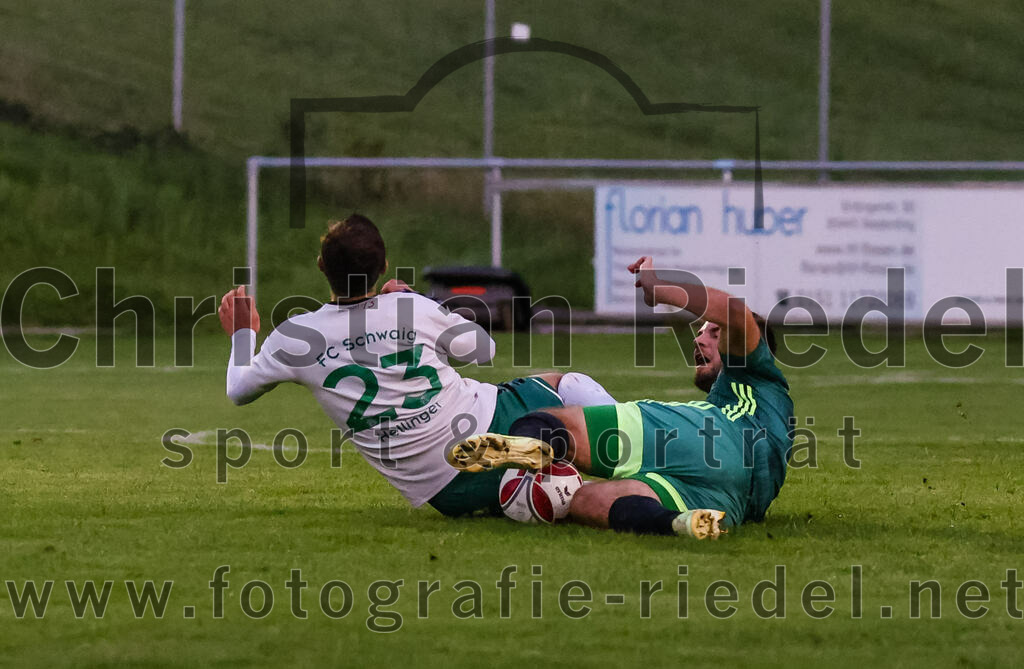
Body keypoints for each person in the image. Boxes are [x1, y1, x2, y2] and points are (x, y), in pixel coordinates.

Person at [219, 214, 616, 517]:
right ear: (384, 266)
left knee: (543, 447)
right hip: (486, 422)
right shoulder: (409, 307)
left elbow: (238, 391)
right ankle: (632, 451)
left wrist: (243, 333)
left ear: (322, 266)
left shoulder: (296, 336)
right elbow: (484, 350)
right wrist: (418, 303)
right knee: (567, 384)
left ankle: (532, 482)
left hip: (446, 492)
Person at [447, 255, 794, 540]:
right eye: (700, 333)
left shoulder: (749, 374)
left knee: (557, 422)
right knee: (583, 501)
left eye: (713, 334)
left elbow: (735, 313)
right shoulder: (761, 404)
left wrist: (661, 289)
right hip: (729, 500)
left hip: (714, 438)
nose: (699, 340)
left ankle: (529, 440)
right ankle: (679, 523)